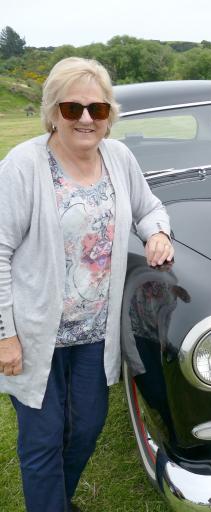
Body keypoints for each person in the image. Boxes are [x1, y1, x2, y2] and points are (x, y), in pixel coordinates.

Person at [0, 57, 174, 512]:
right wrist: (5, 335)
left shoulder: (119, 158)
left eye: (96, 110)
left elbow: (148, 206)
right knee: (42, 440)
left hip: (94, 334)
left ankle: (55, 501)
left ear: (108, 115)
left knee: (86, 427)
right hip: (37, 334)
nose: (83, 119)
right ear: (52, 112)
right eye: (71, 107)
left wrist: (157, 231)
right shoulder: (22, 166)